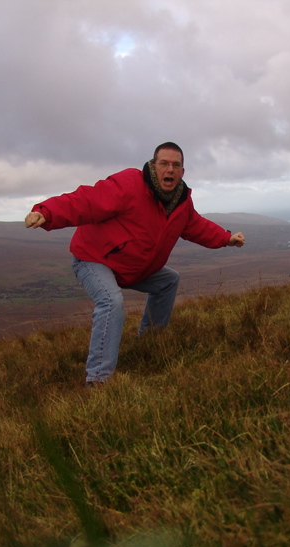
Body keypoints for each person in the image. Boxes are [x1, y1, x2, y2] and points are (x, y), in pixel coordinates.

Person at [25, 142, 246, 386]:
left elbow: (196, 226)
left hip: (132, 267)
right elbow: (86, 200)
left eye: (176, 165)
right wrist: (47, 212)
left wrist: (226, 238)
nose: (170, 169)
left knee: (168, 280)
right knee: (111, 301)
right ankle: (98, 380)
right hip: (93, 259)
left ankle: (150, 343)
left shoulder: (181, 201)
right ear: (153, 165)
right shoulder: (129, 184)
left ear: (182, 171)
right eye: (164, 163)